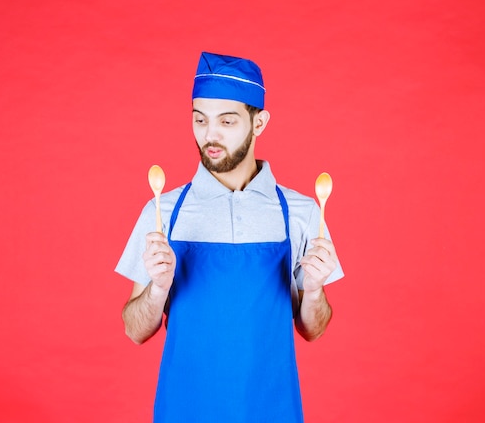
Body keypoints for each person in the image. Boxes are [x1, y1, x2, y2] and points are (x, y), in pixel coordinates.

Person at [116, 51, 344, 423]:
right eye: (200, 120)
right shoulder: (163, 211)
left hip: (273, 409)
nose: (211, 135)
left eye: (227, 121)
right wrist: (157, 289)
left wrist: (315, 290)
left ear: (259, 123)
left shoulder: (301, 212)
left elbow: (312, 330)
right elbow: (133, 330)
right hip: (184, 409)